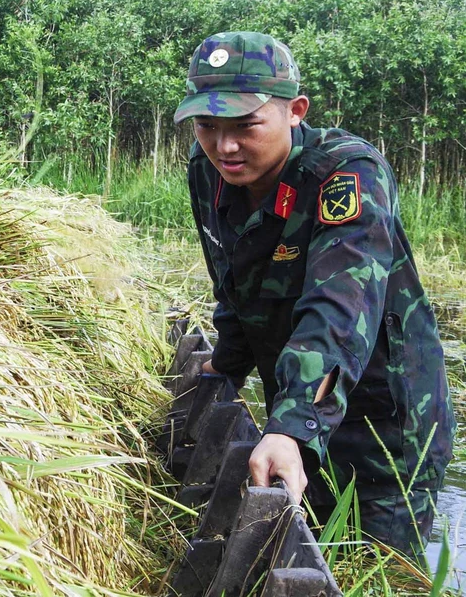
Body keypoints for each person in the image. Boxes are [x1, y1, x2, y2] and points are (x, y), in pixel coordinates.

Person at [175, 31, 453, 558]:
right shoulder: (207, 169)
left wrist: (293, 423)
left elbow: (340, 307)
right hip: (298, 402)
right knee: (300, 541)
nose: (225, 146)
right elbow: (231, 274)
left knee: (373, 567)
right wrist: (228, 361)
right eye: (207, 126)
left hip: (382, 424)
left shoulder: (345, 173)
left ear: (295, 110)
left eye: (245, 125)